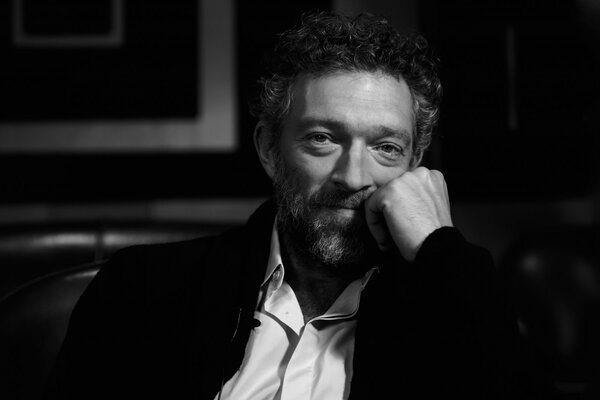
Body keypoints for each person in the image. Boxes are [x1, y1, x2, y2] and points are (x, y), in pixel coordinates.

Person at [44, 10, 561, 400]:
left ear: (414, 166)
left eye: (385, 148)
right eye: (322, 139)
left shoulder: (456, 309)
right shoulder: (143, 289)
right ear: (270, 150)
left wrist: (440, 249)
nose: (353, 176)